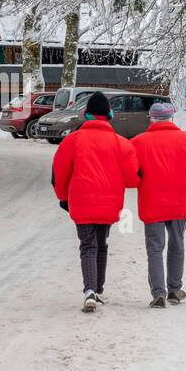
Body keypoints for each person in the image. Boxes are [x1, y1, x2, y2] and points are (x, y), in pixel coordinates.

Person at [52, 91, 139, 312]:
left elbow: (59, 173)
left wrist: (63, 197)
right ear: (109, 114)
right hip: (109, 203)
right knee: (102, 244)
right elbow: (132, 179)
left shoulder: (72, 140)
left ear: (86, 113)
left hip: (80, 201)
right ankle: (98, 289)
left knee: (87, 245)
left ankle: (90, 290)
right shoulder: (121, 144)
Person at [131, 100, 186, 308]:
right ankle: (174, 289)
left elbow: (130, 173)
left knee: (155, 247)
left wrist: (141, 182)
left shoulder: (138, 142)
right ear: (172, 117)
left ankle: (158, 294)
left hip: (152, 201)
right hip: (179, 200)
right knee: (177, 243)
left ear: (151, 118)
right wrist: (184, 181)